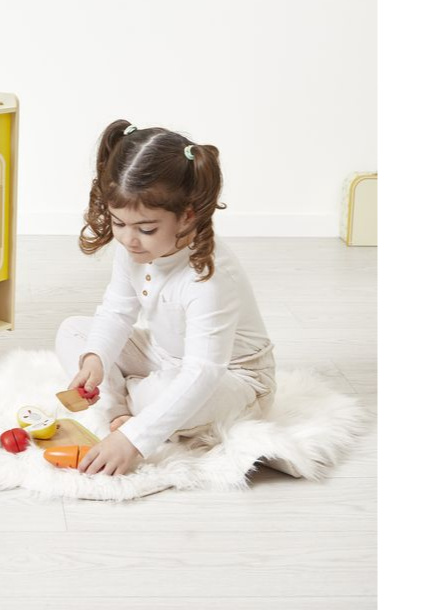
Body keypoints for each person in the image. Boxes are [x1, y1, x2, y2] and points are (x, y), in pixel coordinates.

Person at [55, 120, 276, 476]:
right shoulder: (133, 246)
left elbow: (203, 371)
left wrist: (134, 441)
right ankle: (119, 412)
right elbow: (117, 310)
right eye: (118, 223)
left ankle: (135, 412)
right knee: (75, 332)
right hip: (164, 355)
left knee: (158, 397)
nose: (128, 239)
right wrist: (97, 359)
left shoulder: (210, 278)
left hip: (233, 377)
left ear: (187, 216)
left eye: (146, 228)